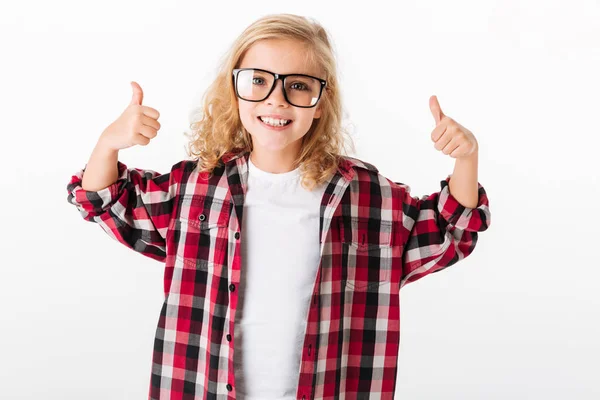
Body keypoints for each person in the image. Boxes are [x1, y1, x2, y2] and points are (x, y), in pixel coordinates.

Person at [66, 13, 491, 400]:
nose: (276, 99)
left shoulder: (366, 195)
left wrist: (465, 157)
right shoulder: (195, 187)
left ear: (321, 103)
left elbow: (450, 231)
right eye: (258, 80)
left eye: (299, 85)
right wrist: (109, 142)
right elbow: (106, 201)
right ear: (234, 90)